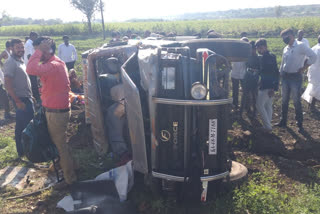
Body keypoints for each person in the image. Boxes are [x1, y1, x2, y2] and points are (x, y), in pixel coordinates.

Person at [27, 37, 77, 185]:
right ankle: (72, 167)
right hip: (56, 111)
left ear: (46, 50)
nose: (36, 53)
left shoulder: (54, 65)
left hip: (56, 113)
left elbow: (30, 69)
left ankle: (70, 180)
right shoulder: (53, 64)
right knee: (61, 143)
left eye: (39, 50)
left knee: (60, 146)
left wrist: (39, 51)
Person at [276, 28, 317, 132]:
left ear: (292, 36)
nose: (284, 39)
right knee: (284, 100)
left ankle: (299, 123)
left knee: (296, 101)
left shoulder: (301, 46)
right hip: (285, 77)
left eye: (286, 37)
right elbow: (283, 63)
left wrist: (304, 68)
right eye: (283, 38)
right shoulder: (286, 48)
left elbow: (313, 56)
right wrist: (281, 74)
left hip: (295, 77)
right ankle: (283, 121)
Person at [3, 39, 34, 157]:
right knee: (22, 126)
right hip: (20, 99)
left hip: (26, 97)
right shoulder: (10, 62)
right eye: (18, 48)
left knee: (26, 125)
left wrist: (31, 96)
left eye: (22, 47)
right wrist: (17, 101)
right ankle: (22, 152)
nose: (21, 50)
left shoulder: (20, 60)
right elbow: (7, 84)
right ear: (11, 48)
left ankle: (27, 151)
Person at [255, 39, 279, 132]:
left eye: (260, 48)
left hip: (267, 85)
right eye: (258, 48)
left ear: (265, 46)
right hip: (269, 84)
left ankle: (267, 126)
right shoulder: (270, 56)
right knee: (268, 105)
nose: (259, 50)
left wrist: (272, 87)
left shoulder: (266, 57)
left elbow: (273, 72)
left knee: (259, 105)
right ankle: (267, 125)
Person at [240, 40, 259, 117]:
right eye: (250, 49)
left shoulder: (258, 58)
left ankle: (254, 112)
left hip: (255, 78)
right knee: (245, 95)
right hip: (247, 77)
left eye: (253, 49)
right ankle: (242, 111)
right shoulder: (247, 57)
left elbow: (260, 69)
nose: (252, 50)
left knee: (254, 96)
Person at [301, 35, 320, 111]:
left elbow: (307, 59)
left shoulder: (314, 48)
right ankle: (312, 106)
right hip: (318, 72)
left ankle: (311, 105)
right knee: (316, 89)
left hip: (312, 71)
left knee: (313, 88)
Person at [231, 37, 249, 110]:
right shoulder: (234, 51)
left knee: (245, 91)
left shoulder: (247, 53)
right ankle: (235, 104)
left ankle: (243, 105)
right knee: (235, 91)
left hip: (243, 74)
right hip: (234, 74)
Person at [24, 31, 40, 103]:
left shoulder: (30, 43)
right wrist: (34, 65)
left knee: (33, 82)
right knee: (33, 83)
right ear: (32, 36)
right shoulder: (29, 44)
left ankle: (35, 96)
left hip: (30, 65)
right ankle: (36, 97)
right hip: (30, 66)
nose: (36, 38)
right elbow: (29, 56)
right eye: (36, 37)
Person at [0, 41, 14, 120]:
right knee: (4, 96)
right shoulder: (4, 52)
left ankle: (7, 112)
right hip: (6, 73)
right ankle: (7, 113)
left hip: (7, 74)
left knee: (5, 96)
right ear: (10, 46)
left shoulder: (11, 52)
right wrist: (3, 65)